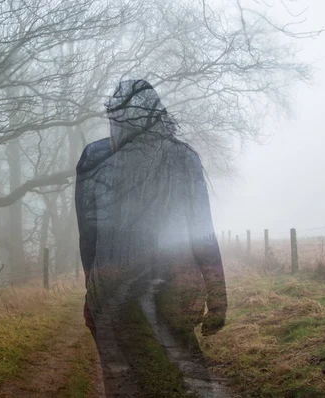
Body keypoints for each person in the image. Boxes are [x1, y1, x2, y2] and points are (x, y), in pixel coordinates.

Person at [75, 79, 228, 396]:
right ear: (158, 112)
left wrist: (92, 287)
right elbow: (203, 234)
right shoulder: (184, 158)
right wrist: (217, 298)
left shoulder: (95, 161)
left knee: (124, 381)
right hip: (175, 291)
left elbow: (88, 238)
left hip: (110, 294)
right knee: (184, 378)